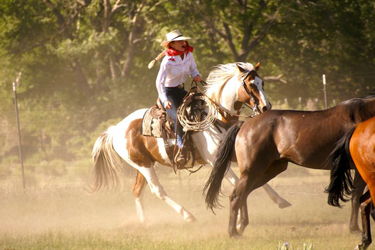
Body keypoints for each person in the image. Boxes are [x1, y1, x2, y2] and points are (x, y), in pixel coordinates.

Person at [150, 29, 202, 165]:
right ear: (172, 45)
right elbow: (159, 82)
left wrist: (196, 75)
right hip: (168, 93)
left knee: (201, 104)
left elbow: (193, 70)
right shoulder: (167, 61)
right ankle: (181, 144)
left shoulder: (188, 55)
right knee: (178, 117)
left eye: (183, 40)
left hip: (181, 90)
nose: (183, 43)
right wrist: (165, 99)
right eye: (179, 41)